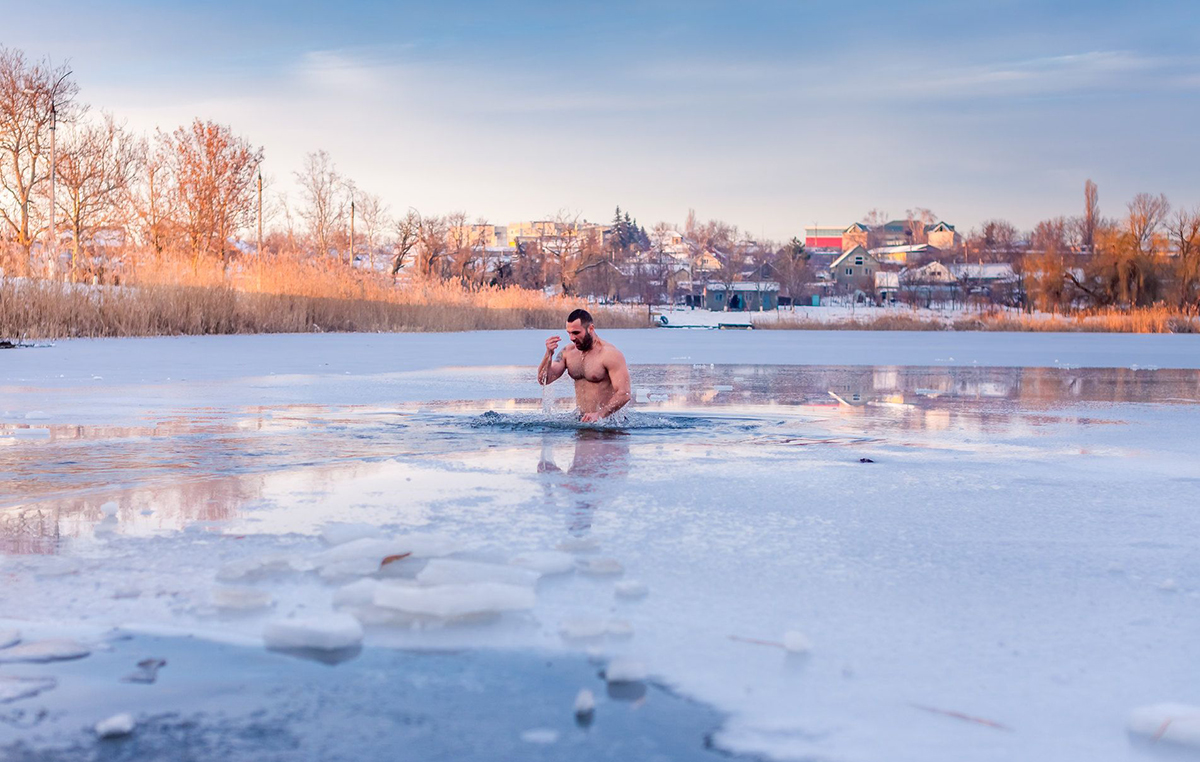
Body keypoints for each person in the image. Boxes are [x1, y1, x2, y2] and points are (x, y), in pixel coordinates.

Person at [537, 309, 631, 422]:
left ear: (590, 328)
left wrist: (600, 415)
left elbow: (624, 394)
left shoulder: (610, 354)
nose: (572, 338)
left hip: (607, 424)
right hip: (581, 421)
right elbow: (544, 379)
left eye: (576, 333)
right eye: (569, 333)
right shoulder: (568, 352)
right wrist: (548, 354)